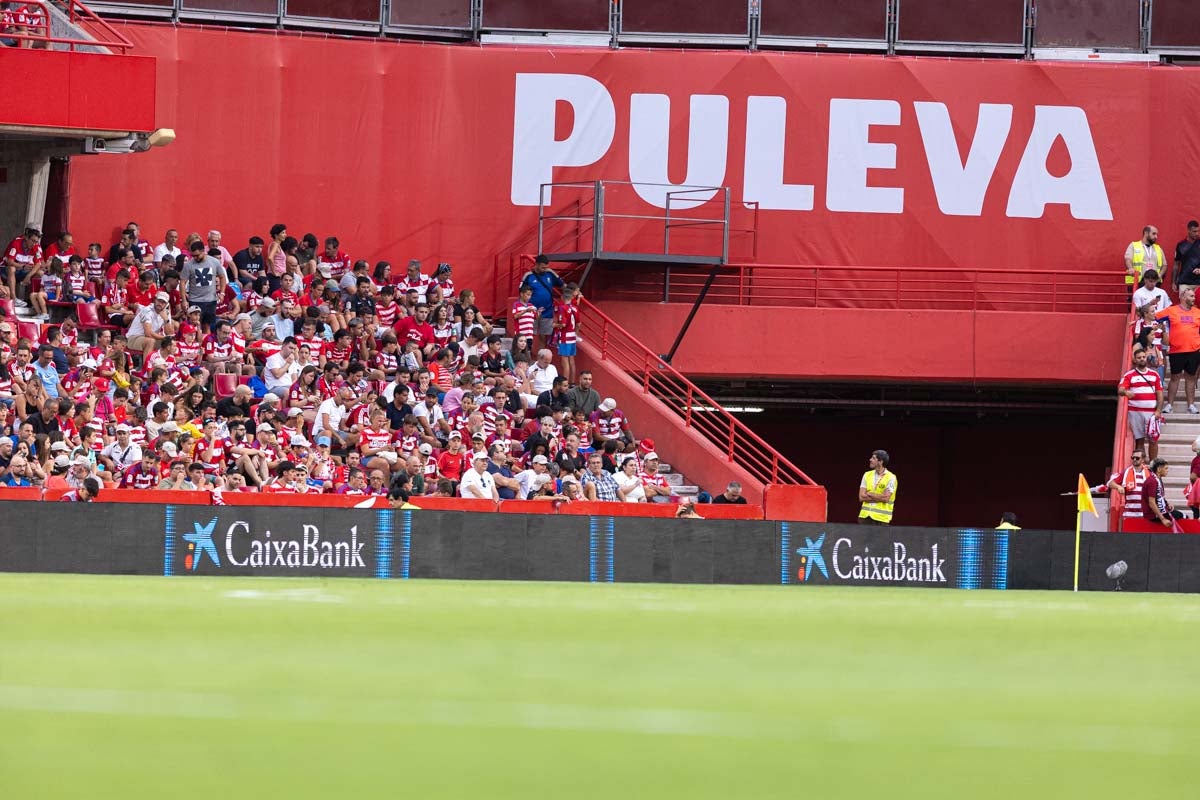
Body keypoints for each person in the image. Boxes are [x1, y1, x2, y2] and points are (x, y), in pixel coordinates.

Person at [1156, 285, 1200, 414]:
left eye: (1194, 296)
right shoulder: (1171, 311)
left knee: (1190, 378)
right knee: (1175, 378)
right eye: (1191, 296)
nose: (1194, 298)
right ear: (1182, 297)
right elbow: (1154, 316)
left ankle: (1191, 405)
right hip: (1176, 350)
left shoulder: (1198, 312)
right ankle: (1169, 405)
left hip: (1194, 350)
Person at [1118, 345, 1163, 459]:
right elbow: (1121, 389)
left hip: (1152, 413)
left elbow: (1160, 394)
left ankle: (1153, 466)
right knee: (1139, 440)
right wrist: (1126, 393)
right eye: (1139, 357)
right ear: (1135, 359)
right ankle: (1141, 466)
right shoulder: (1129, 375)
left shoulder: (1154, 375)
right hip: (1135, 412)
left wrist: (1158, 411)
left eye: (1143, 357)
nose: (1142, 359)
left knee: (1153, 440)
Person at [520, 254, 564, 353]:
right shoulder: (528, 276)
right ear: (536, 265)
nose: (545, 269)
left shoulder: (550, 274)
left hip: (547, 311)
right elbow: (521, 292)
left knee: (543, 336)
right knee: (528, 334)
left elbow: (563, 285)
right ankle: (526, 357)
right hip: (531, 311)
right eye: (543, 267)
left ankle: (541, 357)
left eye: (546, 267)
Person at [1107, 452, 1152, 527]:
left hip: (1145, 514)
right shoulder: (1126, 472)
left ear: (1143, 460)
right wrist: (1118, 487)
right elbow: (1110, 483)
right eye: (1133, 457)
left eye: (1137, 458)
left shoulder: (1150, 473)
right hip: (1129, 514)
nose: (1134, 459)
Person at [858, 449, 897, 524]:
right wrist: (880, 497)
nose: (870, 460)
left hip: (881, 519)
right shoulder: (866, 475)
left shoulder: (891, 477)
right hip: (864, 517)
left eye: (873, 458)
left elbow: (886, 498)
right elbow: (861, 497)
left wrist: (870, 494)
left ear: (880, 461)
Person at [1142, 458, 1182, 527]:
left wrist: (1167, 504)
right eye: (1166, 468)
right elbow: (1152, 502)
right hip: (1153, 515)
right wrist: (1163, 519)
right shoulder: (1152, 481)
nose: (1167, 471)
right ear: (1159, 469)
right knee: (1183, 516)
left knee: (1180, 515)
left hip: (1159, 512)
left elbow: (1159, 496)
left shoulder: (1157, 479)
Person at [1125, 225, 1165, 294]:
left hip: (1154, 282)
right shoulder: (1134, 245)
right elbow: (1128, 259)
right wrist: (1130, 268)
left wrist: (1160, 275)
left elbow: (1165, 265)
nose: (1156, 237)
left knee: (1153, 304)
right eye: (1153, 234)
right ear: (1146, 233)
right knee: (1135, 304)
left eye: (1156, 234)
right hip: (1138, 281)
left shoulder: (1158, 248)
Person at [1174, 220, 1200, 293]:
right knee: (1185, 304)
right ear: (1188, 230)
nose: (1197, 234)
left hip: (1199, 282)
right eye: (1194, 231)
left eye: (1198, 231)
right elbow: (1176, 264)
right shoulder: (1181, 245)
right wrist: (1173, 282)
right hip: (1184, 282)